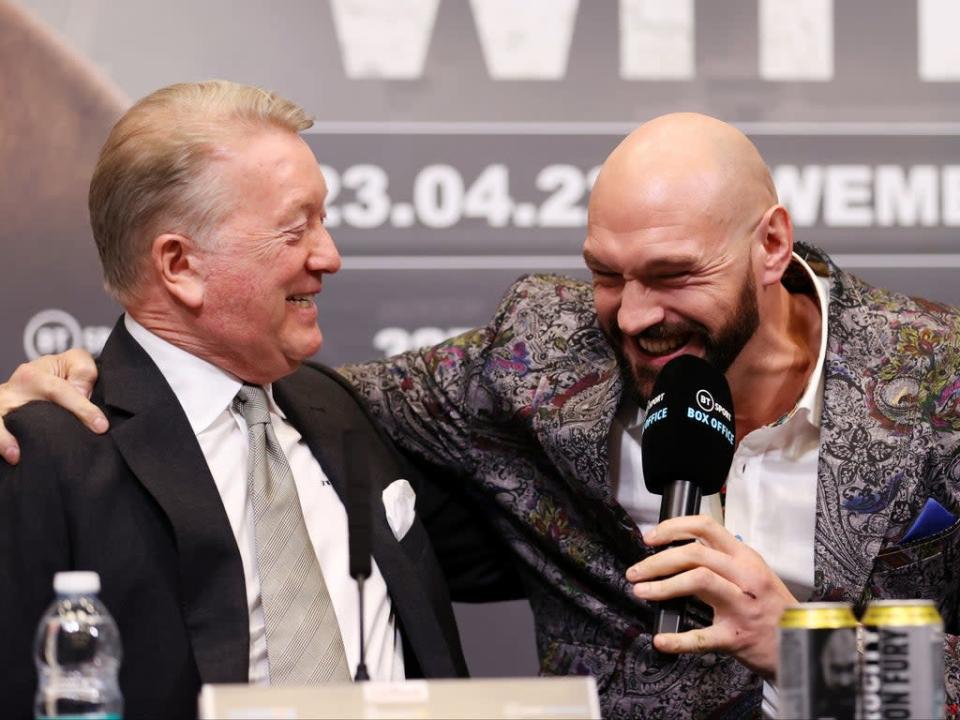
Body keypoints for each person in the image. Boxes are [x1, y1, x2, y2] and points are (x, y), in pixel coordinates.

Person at [4, 113, 960, 719]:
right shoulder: (541, 349)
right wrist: (59, 383)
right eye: (604, 276)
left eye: (671, 276)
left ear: (772, 244)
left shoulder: (936, 384)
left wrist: (799, 644)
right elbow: (270, 396)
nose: (633, 316)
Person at [0, 81, 517, 720]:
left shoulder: (338, 407)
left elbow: (528, 554)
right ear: (180, 265)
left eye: (323, 222)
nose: (329, 256)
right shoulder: (48, 454)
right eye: (295, 229)